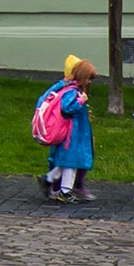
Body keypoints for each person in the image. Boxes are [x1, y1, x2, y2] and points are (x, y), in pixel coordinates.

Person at [40, 56, 96, 203]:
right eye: (89, 78)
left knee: (66, 161)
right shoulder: (72, 91)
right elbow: (67, 108)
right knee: (71, 162)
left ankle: (49, 179)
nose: (89, 82)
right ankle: (65, 190)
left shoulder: (70, 89)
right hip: (72, 133)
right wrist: (80, 101)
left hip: (74, 132)